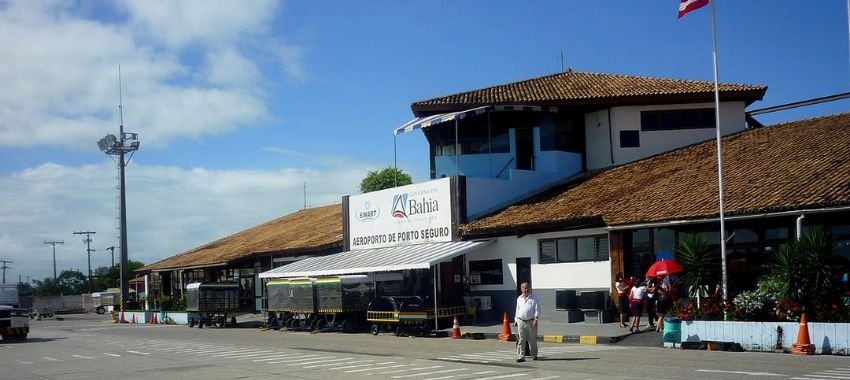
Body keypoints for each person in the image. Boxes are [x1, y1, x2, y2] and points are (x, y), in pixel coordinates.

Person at [514, 282, 540, 362]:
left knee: (532, 340)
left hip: (531, 321)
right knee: (521, 340)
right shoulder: (519, 298)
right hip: (521, 321)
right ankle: (521, 356)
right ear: (521, 289)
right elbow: (517, 310)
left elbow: (537, 309)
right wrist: (516, 320)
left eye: (527, 288)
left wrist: (536, 319)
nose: (526, 290)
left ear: (530, 288)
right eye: (524, 288)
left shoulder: (534, 298)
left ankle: (534, 355)